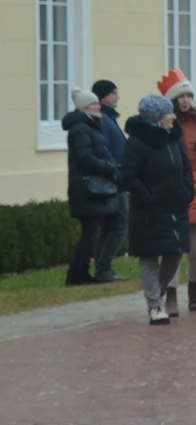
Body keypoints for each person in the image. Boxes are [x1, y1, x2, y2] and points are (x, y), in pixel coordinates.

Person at [119, 94, 194, 325]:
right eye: (168, 113)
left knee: (175, 252)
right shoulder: (136, 143)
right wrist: (147, 196)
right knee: (149, 256)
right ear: (156, 117)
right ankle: (154, 307)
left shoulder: (173, 139)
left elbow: (186, 168)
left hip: (176, 207)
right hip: (148, 211)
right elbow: (127, 177)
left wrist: (187, 192)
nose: (174, 116)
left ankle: (156, 296)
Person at [159, 68, 196, 315]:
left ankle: (193, 291)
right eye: (181, 96)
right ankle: (170, 295)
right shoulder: (164, 121)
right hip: (172, 190)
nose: (186, 100)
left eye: (189, 96)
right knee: (173, 248)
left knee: (195, 249)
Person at [63, 88, 121, 286]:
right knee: (90, 233)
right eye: (94, 104)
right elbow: (85, 158)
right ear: (84, 108)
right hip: (87, 189)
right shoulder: (81, 128)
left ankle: (81, 272)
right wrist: (109, 168)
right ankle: (78, 274)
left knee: (95, 231)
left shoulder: (90, 126)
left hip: (92, 188)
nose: (99, 107)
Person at [90, 79, 129, 283]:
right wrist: (115, 171)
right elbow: (104, 150)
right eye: (113, 93)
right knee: (119, 225)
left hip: (116, 177)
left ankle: (103, 267)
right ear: (103, 96)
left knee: (112, 225)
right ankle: (104, 267)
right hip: (113, 179)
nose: (117, 97)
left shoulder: (109, 118)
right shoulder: (104, 120)